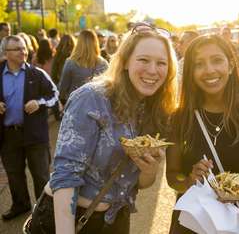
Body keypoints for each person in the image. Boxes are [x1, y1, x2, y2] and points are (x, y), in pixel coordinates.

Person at [29, 23, 178, 233]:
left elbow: (141, 183)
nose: (153, 70)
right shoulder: (92, 98)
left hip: (116, 218)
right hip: (69, 219)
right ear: (125, 61)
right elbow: (66, 176)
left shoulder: (154, 109)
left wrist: (149, 169)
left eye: (161, 63)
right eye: (144, 60)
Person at [166, 34, 239, 234]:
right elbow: (173, 177)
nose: (209, 70)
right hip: (193, 222)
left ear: (231, 65)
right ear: (190, 72)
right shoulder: (179, 117)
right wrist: (190, 179)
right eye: (199, 64)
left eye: (217, 60)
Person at [0, 35, 58, 220]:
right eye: (17, 49)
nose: (23, 51)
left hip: (35, 135)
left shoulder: (37, 73)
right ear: (6, 53)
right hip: (8, 135)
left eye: (24, 48)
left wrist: (39, 102)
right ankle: (20, 205)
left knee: (41, 175)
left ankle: (45, 211)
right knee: (14, 174)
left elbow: (54, 95)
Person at [59, 29, 108, 104]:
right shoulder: (103, 63)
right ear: (95, 43)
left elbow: (63, 87)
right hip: (97, 105)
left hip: (75, 104)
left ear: (79, 43)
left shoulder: (70, 62)